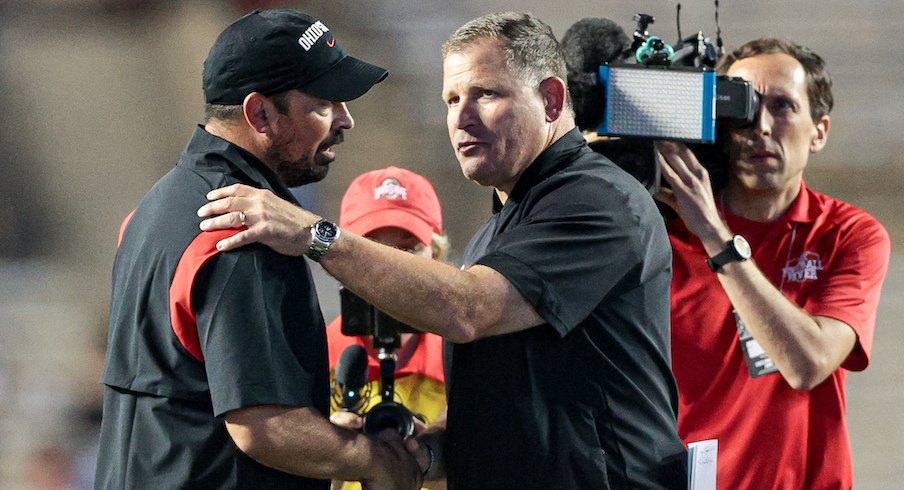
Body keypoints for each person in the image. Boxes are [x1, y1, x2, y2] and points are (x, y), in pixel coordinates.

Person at [198, 11, 687, 489]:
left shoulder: (600, 201)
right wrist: (425, 453)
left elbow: (467, 309)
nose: (461, 117)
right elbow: (519, 410)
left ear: (551, 100)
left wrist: (314, 233)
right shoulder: (498, 230)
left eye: (486, 94)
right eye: (451, 99)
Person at [95, 9, 424, 489]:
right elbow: (264, 427)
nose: (346, 120)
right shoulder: (244, 229)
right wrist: (374, 459)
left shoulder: (155, 207)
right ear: (260, 114)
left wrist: (327, 439)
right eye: (325, 103)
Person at [656, 38, 891, 488]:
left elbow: (807, 364)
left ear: (819, 131)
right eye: (742, 108)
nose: (760, 126)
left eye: (782, 106)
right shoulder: (660, 237)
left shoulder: (848, 234)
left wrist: (715, 236)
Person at [326, 166, 449, 490]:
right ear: (340, 260)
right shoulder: (308, 359)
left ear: (436, 256)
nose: (390, 267)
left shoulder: (465, 363)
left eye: (408, 250)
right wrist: (323, 454)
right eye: (371, 248)